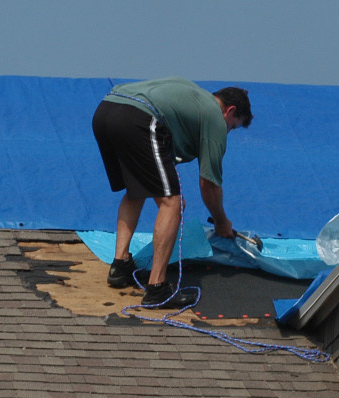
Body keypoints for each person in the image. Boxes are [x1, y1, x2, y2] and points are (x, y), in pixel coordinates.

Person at [91, 78, 252, 308]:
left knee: (137, 189)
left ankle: (121, 265)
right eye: (233, 126)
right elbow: (209, 184)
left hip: (105, 111)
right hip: (139, 119)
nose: (228, 131)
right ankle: (157, 288)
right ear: (230, 111)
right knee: (173, 204)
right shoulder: (214, 118)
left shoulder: (190, 95)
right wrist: (221, 221)